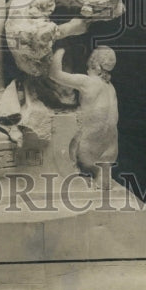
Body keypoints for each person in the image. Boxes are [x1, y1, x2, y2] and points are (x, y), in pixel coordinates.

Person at [48, 46, 119, 188]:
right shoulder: (110, 87)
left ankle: (74, 171)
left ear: (94, 64)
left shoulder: (88, 82)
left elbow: (54, 74)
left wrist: (59, 51)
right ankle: (103, 176)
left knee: (68, 126)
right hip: (110, 153)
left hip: (88, 150)